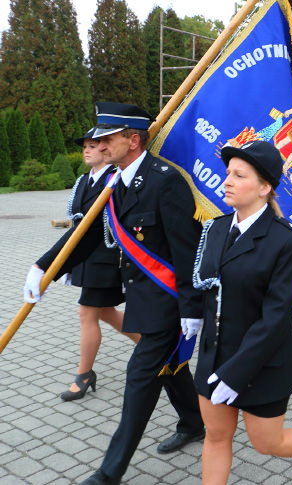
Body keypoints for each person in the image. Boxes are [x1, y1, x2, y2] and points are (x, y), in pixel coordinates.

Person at [23, 102, 205, 485]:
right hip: (142, 296)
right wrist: (43, 267)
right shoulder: (116, 181)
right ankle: (194, 421)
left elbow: (187, 250)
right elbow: (87, 235)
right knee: (169, 369)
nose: (100, 144)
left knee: (139, 376)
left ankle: (110, 472)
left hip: (168, 301)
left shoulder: (164, 180)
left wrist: (192, 306)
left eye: (108, 137)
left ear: (133, 140)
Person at [193, 140, 292, 485]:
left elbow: (277, 316)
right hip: (215, 355)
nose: (227, 181)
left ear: (265, 187)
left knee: (268, 443)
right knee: (216, 436)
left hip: (263, 362)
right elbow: (206, 287)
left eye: (239, 175)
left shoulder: (287, 240)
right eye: (227, 173)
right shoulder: (216, 228)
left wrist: (235, 373)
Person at [59, 129, 139, 402]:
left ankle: (84, 374)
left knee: (87, 314)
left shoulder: (114, 179)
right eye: (85, 146)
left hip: (105, 257)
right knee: (104, 312)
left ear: (106, 150)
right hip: (86, 258)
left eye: (94, 145)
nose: (87, 150)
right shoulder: (84, 180)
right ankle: (152, 346)